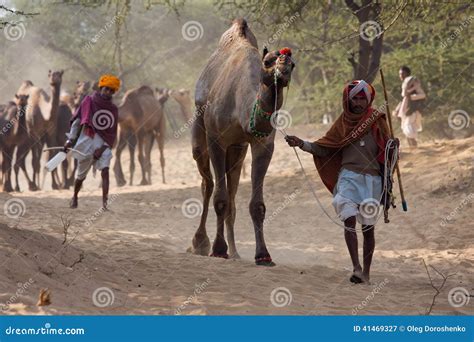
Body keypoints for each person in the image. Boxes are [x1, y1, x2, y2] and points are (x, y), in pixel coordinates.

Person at [285, 80, 396, 284]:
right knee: (348, 218)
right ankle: (356, 267)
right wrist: (301, 144)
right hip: (348, 177)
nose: (359, 102)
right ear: (348, 99)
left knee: (368, 229)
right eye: (356, 98)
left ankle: (367, 274)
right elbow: (324, 147)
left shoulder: (378, 120)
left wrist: (392, 147)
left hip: (372, 181)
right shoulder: (342, 123)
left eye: (363, 98)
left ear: (369, 99)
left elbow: (388, 153)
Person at [64, 74, 120, 209]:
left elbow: (112, 133)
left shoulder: (113, 109)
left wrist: (102, 149)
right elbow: (77, 121)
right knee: (80, 176)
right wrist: (70, 139)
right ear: (101, 88)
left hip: (103, 145)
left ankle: (105, 204)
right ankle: (75, 196)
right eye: (106, 89)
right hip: (86, 141)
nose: (108, 92)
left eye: (111, 90)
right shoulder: (88, 101)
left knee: (105, 171)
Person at [393, 66, 426, 149]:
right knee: (406, 130)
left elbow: (423, 95)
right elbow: (405, 98)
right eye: (400, 74)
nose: (401, 75)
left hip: (413, 110)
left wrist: (411, 97)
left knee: (409, 130)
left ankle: (415, 150)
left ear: (407, 73)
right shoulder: (405, 84)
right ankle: (413, 151)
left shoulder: (413, 82)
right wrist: (397, 109)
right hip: (406, 109)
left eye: (402, 73)